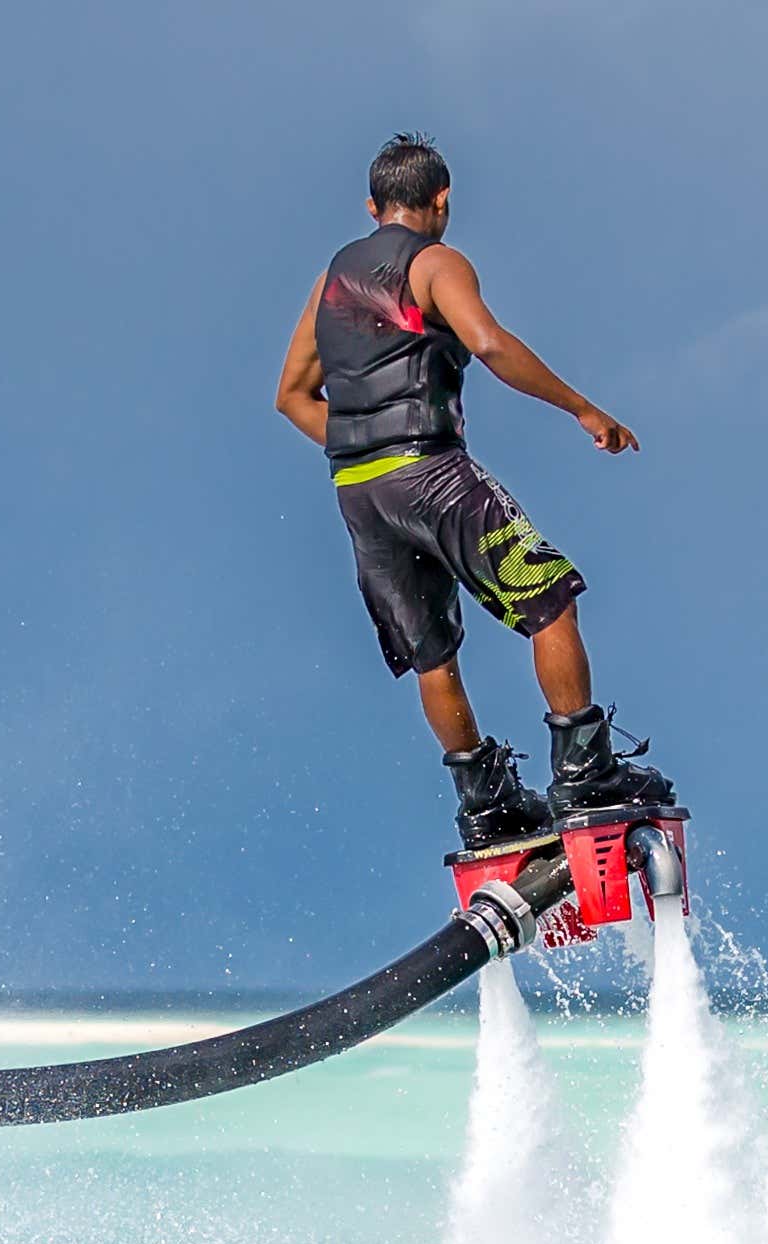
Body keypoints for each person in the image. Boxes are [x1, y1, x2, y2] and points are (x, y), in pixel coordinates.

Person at [276, 133, 681, 851]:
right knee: (549, 597)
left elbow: (292, 396)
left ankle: (485, 804)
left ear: (373, 207)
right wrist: (586, 409)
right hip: (431, 473)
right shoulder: (434, 263)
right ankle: (585, 773)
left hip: (360, 494)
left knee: (434, 656)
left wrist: (361, 451)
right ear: (442, 202)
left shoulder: (330, 281)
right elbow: (488, 343)